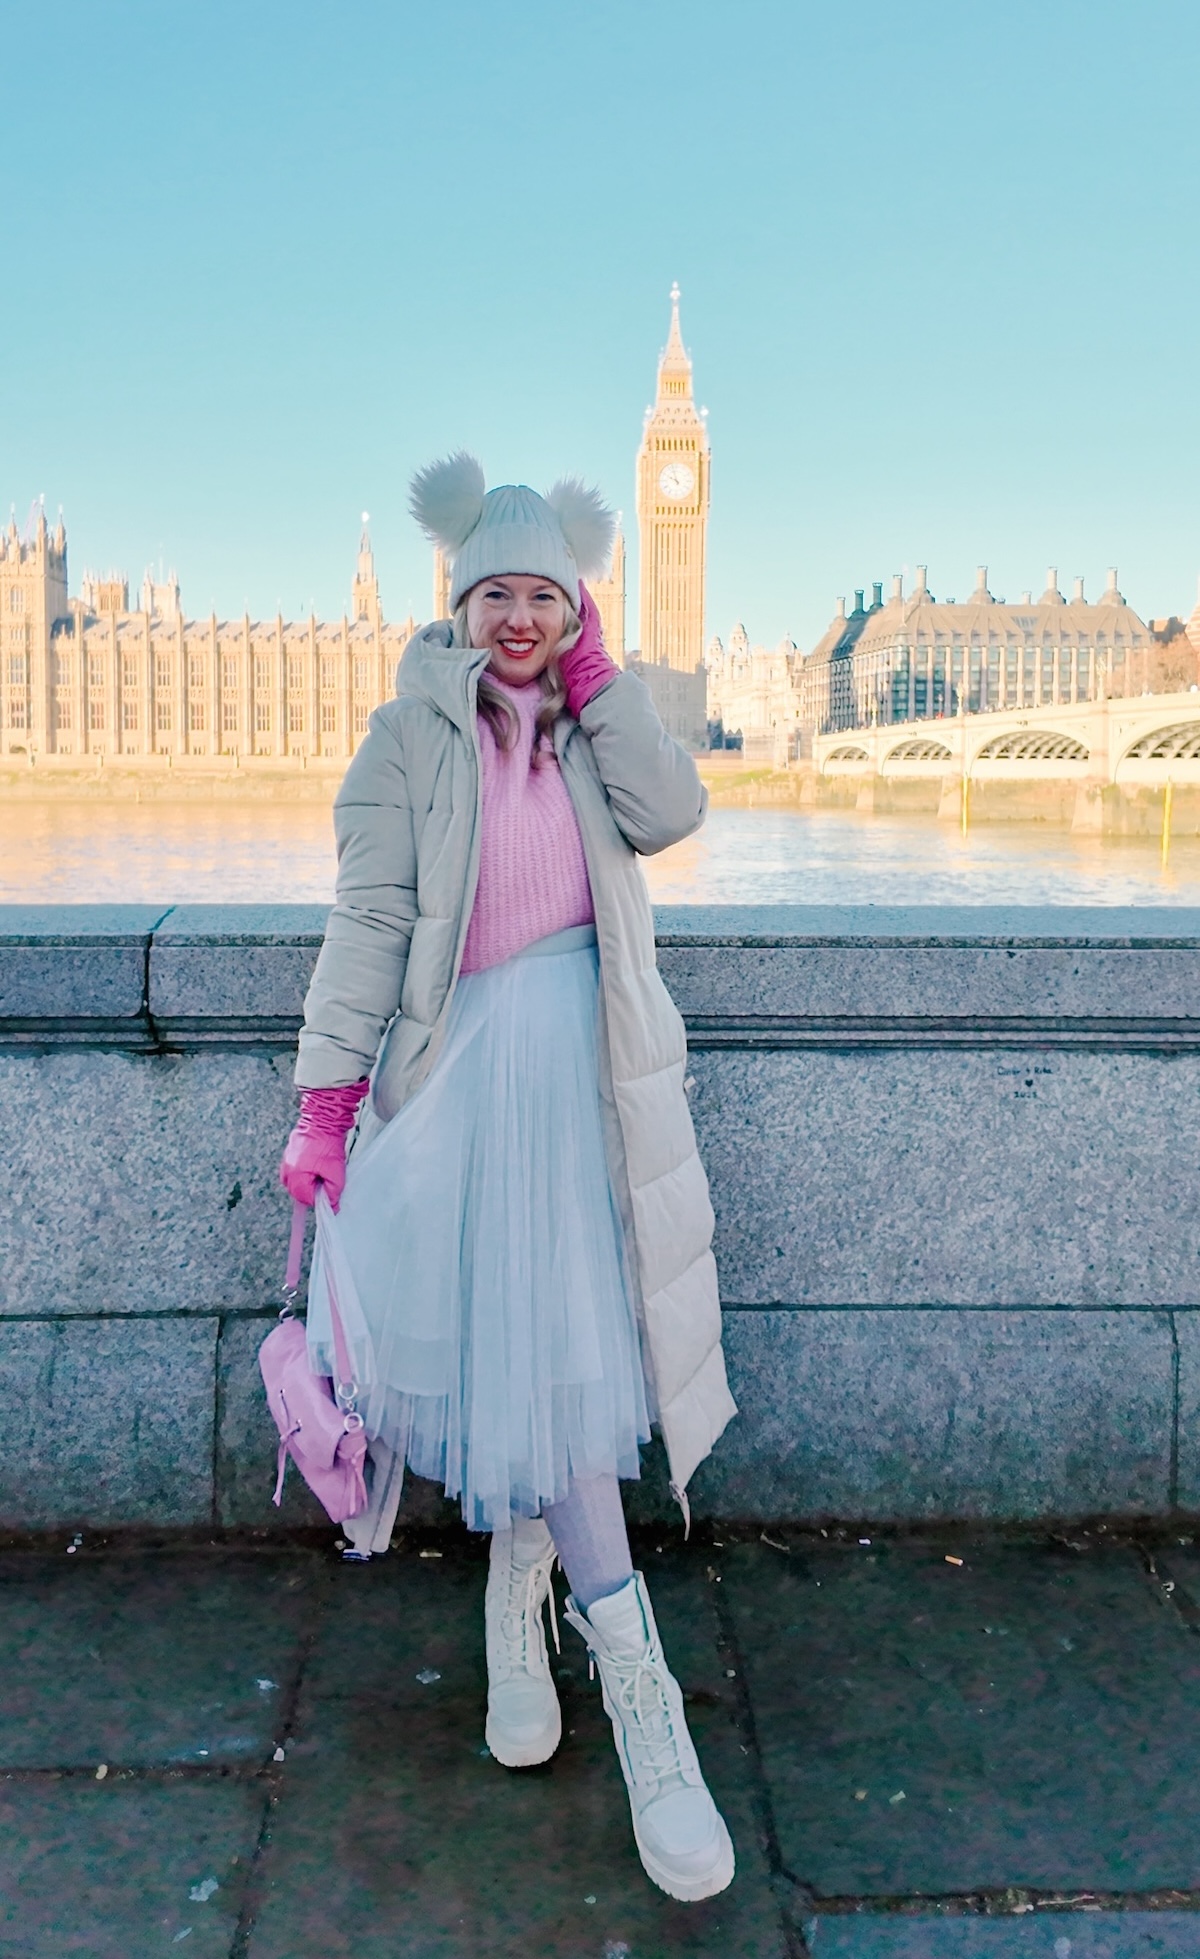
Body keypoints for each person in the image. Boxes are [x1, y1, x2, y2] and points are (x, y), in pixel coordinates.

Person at [280, 452, 737, 1902]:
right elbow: (368, 924)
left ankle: (561, 1623)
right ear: (460, 603)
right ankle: (591, 1647)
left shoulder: (600, 722)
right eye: (498, 595)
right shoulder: (405, 738)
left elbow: (675, 813)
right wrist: (325, 1105)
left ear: (576, 608)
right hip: (465, 1083)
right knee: (525, 1356)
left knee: (559, 1359)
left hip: (589, 1083)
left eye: (548, 595)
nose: (522, 617)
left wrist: (606, 684)